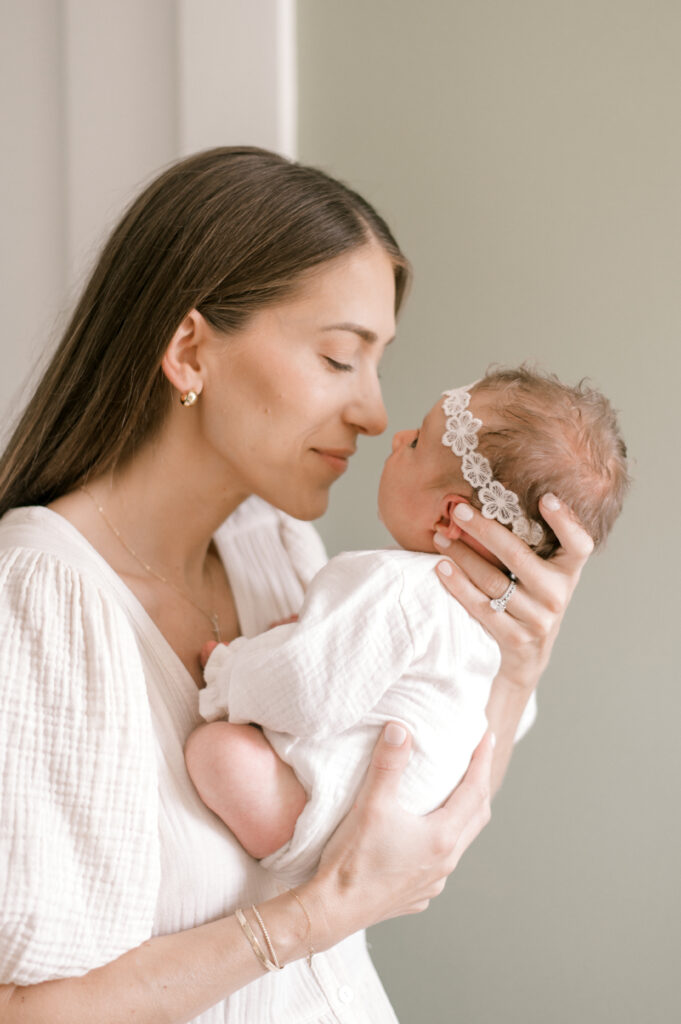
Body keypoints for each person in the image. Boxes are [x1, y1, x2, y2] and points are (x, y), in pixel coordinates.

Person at [0, 147, 595, 1024]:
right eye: (338, 358)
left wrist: (516, 666)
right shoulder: (43, 592)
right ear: (189, 349)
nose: (375, 412)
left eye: (378, 361)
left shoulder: (275, 548)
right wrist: (310, 918)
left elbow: (415, 831)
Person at [185, 367, 628, 886]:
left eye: (417, 441)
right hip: (408, 830)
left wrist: (231, 670)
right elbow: (504, 721)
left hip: (320, 809)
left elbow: (306, 689)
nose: (396, 436)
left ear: (450, 517)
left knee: (217, 752)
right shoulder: (493, 621)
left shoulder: (392, 582)